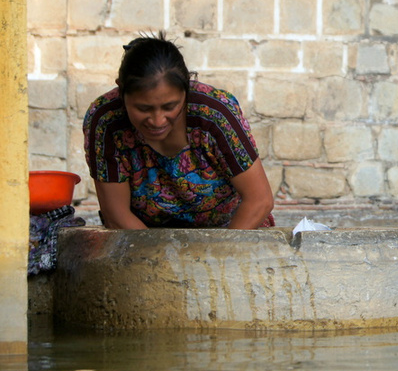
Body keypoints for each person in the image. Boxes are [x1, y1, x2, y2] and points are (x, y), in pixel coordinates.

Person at [83, 32, 275, 229]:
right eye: (143, 108)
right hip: (141, 238)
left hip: (232, 232)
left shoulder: (214, 115)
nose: (157, 121)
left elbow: (259, 200)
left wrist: (218, 256)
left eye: (169, 107)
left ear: (186, 90)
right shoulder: (106, 121)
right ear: (121, 90)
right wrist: (156, 257)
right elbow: (116, 215)